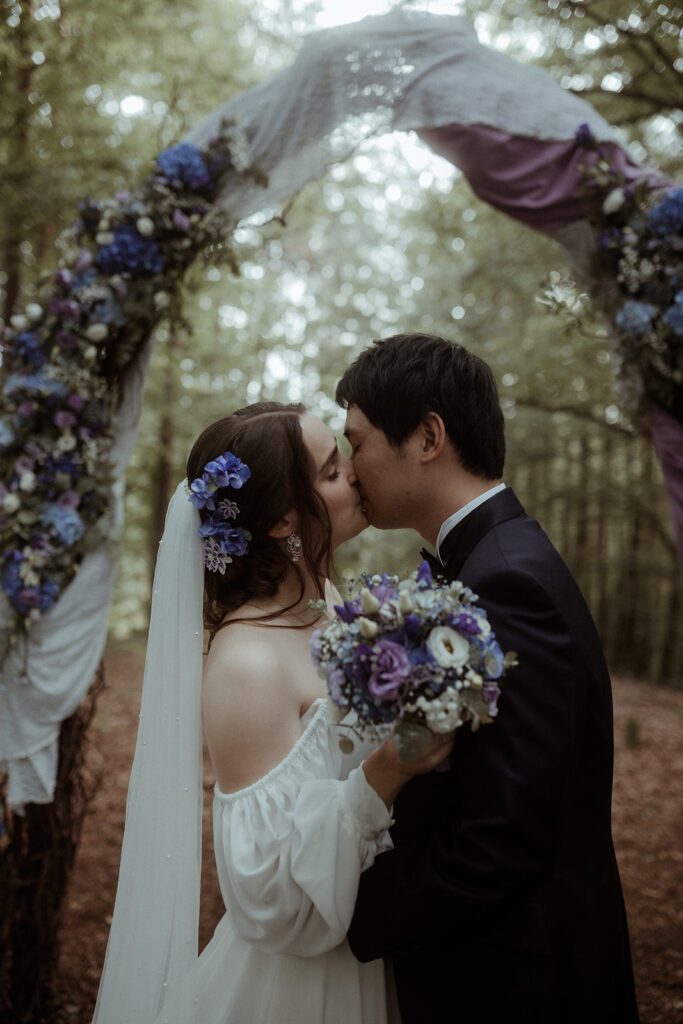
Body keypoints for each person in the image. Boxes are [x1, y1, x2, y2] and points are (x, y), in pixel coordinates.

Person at [92, 399, 450, 1024]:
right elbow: (266, 898)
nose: (356, 474)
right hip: (302, 984)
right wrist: (386, 771)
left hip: (374, 947)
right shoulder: (246, 664)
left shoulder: (329, 606)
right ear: (285, 520)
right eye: (332, 471)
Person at [336, 333, 640, 1024]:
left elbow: (507, 835)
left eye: (356, 443)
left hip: (519, 982)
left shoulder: (506, 582)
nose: (351, 471)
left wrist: (348, 906)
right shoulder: (492, 562)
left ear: (427, 437)